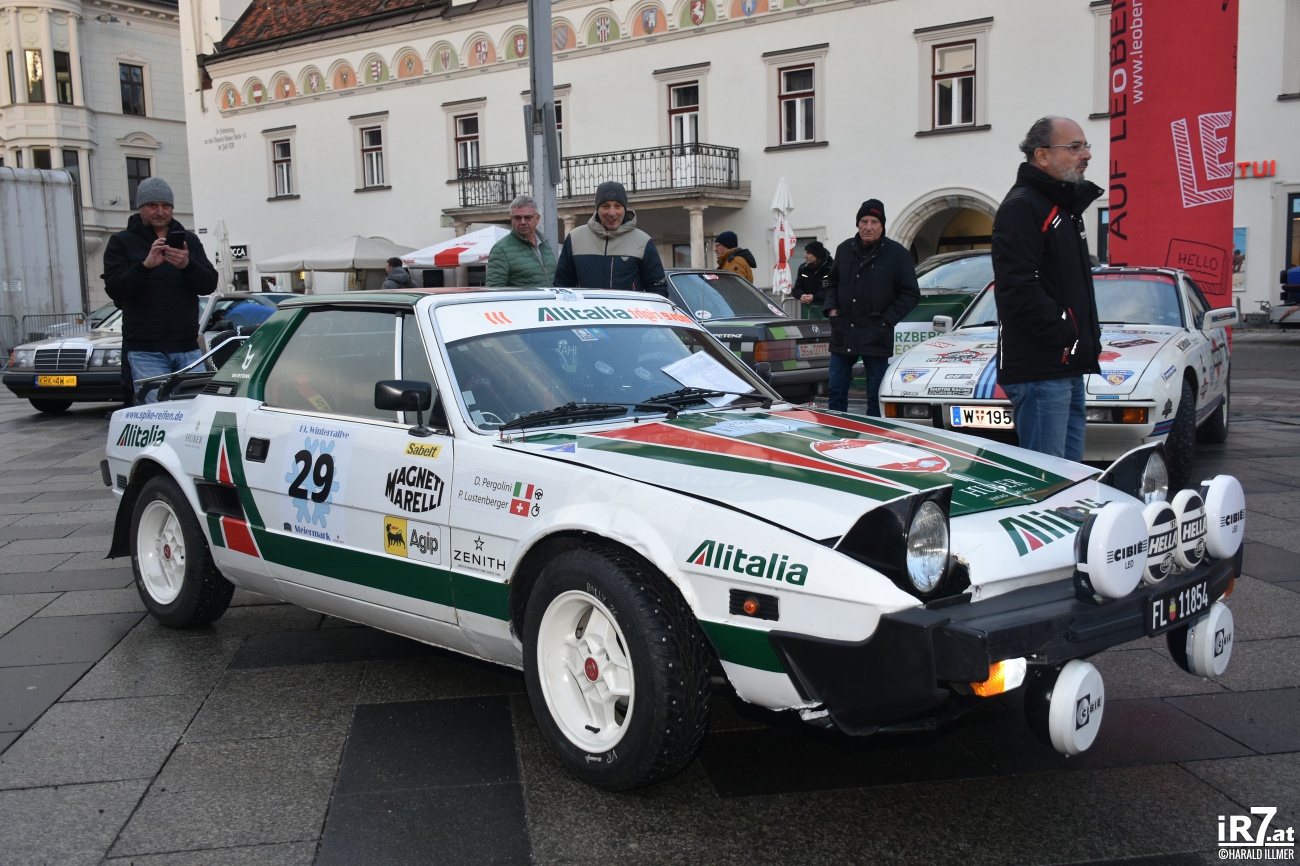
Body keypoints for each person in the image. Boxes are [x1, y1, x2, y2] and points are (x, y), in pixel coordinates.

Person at [991, 115, 1104, 461]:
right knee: (1048, 478)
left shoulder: (1062, 207)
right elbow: (1017, 287)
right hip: (1041, 369)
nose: (1086, 154)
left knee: (1072, 477)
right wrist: (1065, 332)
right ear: (1042, 155)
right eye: (1074, 147)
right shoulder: (1024, 206)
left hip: (1065, 364)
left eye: (1085, 146)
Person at [102, 177, 217, 404]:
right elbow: (116, 290)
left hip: (187, 346)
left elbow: (208, 284)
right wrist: (145, 266)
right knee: (156, 413)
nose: (160, 212)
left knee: (194, 410)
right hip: (145, 349)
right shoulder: (121, 242)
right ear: (140, 208)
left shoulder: (189, 241)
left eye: (166, 206)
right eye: (152, 205)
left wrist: (187, 265)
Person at [823, 199, 919, 416]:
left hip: (876, 334)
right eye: (864, 221)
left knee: (875, 394)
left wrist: (886, 320)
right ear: (857, 224)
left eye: (874, 222)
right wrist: (831, 309)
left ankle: (875, 433)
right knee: (836, 389)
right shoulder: (844, 249)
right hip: (843, 332)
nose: (868, 227)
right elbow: (832, 283)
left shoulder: (897, 254)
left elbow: (911, 294)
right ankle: (836, 431)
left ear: (882, 225)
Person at [554, 181, 666, 293]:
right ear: (597, 209)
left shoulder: (643, 241)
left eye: (617, 206)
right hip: (586, 305)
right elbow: (562, 285)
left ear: (625, 208)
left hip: (628, 306)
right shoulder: (575, 238)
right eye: (605, 206)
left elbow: (658, 290)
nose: (612, 213)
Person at [486, 194, 557, 287]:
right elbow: (494, 289)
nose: (523, 222)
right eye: (517, 218)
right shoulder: (500, 249)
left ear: (537, 219)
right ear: (511, 219)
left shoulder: (545, 244)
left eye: (528, 217)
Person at [793, 240, 834, 318]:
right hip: (809, 310)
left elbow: (833, 290)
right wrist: (801, 295)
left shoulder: (832, 268)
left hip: (828, 309)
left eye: (808, 253)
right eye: (805, 253)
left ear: (817, 254)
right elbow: (797, 288)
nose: (805, 256)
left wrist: (814, 297)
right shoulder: (803, 268)